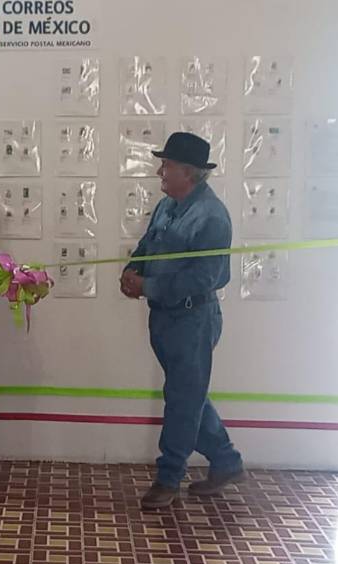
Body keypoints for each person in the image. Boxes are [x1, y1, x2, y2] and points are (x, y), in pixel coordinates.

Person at [121, 132, 245, 510]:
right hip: (165, 318)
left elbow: (207, 278)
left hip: (194, 319)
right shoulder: (166, 206)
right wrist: (133, 270)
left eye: (167, 165)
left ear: (188, 172)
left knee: (182, 399)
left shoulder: (212, 217)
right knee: (188, 395)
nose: (160, 171)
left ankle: (169, 478)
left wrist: (148, 286)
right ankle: (226, 461)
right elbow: (147, 246)